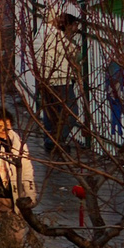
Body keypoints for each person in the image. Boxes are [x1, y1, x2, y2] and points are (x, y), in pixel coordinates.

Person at [36, 8, 83, 151]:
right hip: (59, 79)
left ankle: (49, 141)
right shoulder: (54, 34)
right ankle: (58, 141)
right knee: (71, 111)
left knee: (51, 113)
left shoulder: (40, 32)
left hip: (44, 79)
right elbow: (72, 52)